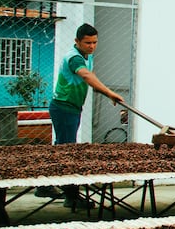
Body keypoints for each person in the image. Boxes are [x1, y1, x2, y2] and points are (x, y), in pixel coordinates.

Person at [49, 23, 124, 208]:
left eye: (94, 42)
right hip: (64, 107)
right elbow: (86, 76)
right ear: (77, 41)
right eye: (87, 42)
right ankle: (71, 196)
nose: (91, 46)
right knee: (68, 151)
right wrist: (108, 92)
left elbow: (91, 75)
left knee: (63, 147)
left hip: (73, 107)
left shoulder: (86, 56)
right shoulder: (74, 58)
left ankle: (47, 185)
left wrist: (102, 90)